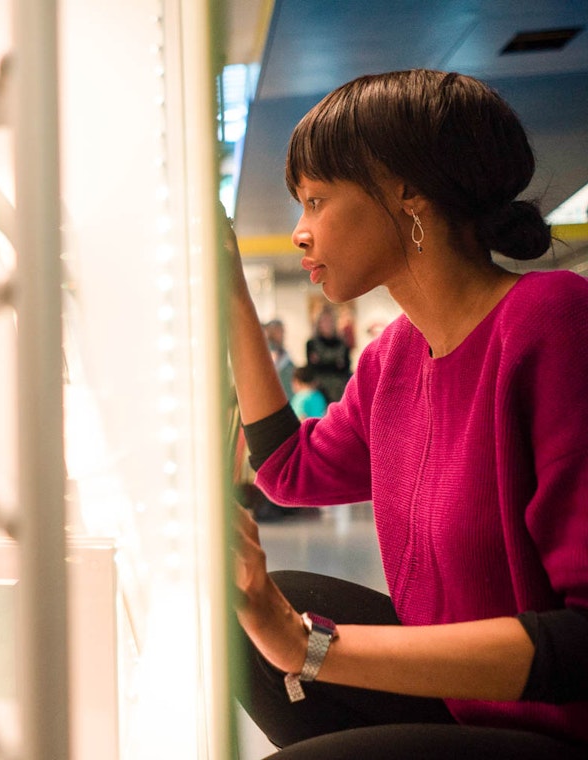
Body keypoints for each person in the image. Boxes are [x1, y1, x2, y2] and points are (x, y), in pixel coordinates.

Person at [226, 69, 588, 758]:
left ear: (407, 190)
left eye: (316, 200)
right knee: (249, 612)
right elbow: (287, 469)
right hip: (466, 705)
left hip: (553, 723)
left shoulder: (551, 323)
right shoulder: (395, 356)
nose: (300, 232)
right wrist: (234, 299)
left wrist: (311, 648)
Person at [305, 308, 352, 402]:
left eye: (330, 321)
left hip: (340, 388)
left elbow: (346, 367)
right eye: (324, 321)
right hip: (320, 389)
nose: (327, 324)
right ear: (319, 324)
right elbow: (312, 368)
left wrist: (322, 362)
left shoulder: (342, 343)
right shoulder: (312, 344)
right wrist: (335, 364)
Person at [264, 318, 296, 399]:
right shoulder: (267, 351)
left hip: (288, 395)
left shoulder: (282, 351)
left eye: (282, 331)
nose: (282, 334)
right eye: (279, 331)